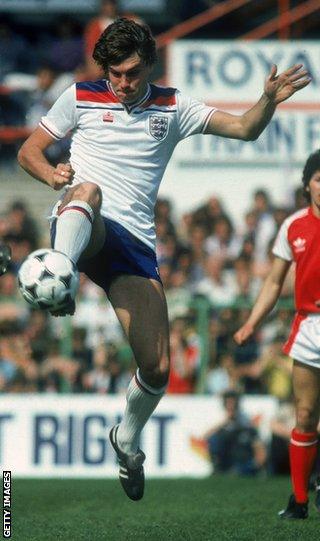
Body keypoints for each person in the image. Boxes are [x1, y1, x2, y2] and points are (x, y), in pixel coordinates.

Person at [17, 18, 310, 501]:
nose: (123, 82)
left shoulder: (173, 106)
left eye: (131, 72)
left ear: (149, 64)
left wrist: (268, 102)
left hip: (134, 247)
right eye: (114, 73)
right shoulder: (80, 96)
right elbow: (30, 151)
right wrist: (53, 177)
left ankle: (126, 440)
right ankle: (61, 274)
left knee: (158, 368)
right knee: (87, 191)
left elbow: (243, 129)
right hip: (79, 221)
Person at [234, 150, 320, 519]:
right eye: (319, 179)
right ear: (307, 185)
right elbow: (273, 281)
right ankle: (299, 501)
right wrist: (252, 322)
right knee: (304, 414)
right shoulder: (293, 226)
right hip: (309, 328)